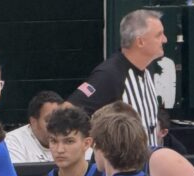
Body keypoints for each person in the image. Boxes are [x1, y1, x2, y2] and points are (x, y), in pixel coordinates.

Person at [66, 9, 166, 145]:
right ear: (140, 42)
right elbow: (66, 112)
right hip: (122, 158)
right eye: (159, 35)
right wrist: (93, 148)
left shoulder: (146, 70)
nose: (165, 39)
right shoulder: (109, 74)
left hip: (147, 156)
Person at [4, 91, 63, 163]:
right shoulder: (13, 141)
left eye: (60, 120)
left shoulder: (71, 139)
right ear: (33, 122)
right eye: (49, 120)